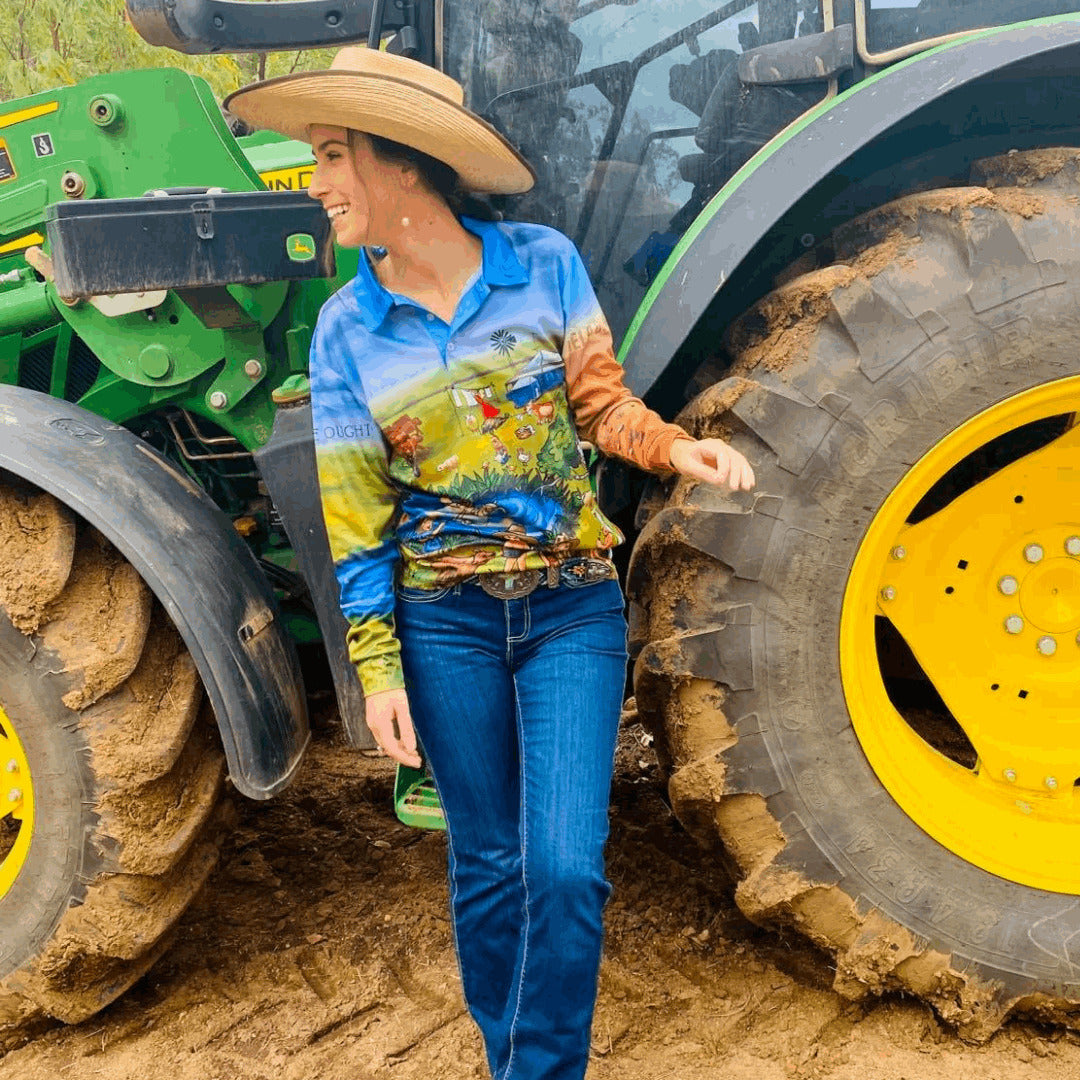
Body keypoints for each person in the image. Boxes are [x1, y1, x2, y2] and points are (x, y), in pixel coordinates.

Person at [224, 46, 754, 1080]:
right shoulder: (346, 331)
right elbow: (356, 519)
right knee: (490, 865)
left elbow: (599, 401)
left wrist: (670, 446)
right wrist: (377, 669)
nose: (316, 181)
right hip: (443, 627)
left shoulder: (543, 263)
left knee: (562, 866)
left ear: (405, 162)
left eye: (333, 155)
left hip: (570, 611)